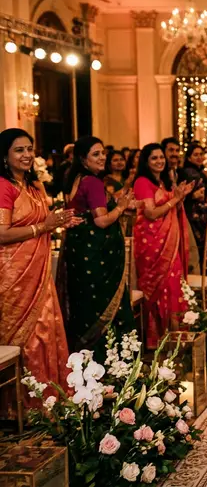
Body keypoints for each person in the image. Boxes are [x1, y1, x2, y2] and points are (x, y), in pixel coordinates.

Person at [0, 128, 76, 397]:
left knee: (45, 328)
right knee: (29, 334)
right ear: (5, 156)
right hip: (13, 275)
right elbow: (2, 233)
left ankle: (49, 394)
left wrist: (60, 221)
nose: (27, 155)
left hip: (38, 271)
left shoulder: (33, 186)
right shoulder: (3, 187)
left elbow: (42, 222)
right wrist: (42, 227)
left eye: (30, 149)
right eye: (19, 150)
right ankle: (23, 402)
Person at [62, 136, 134, 354]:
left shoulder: (73, 179)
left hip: (80, 254)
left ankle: (84, 359)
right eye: (96, 154)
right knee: (103, 305)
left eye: (103, 152)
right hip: (96, 258)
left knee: (84, 305)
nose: (102, 157)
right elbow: (101, 221)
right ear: (83, 159)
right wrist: (121, 207)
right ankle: (111, 361)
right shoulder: (92, 182)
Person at [133, 143, 193, 349]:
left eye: (161, 157)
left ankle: (176, 337)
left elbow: (169, 209)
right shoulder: (142, 182)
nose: (160, 161)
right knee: (162, 287)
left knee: (174, 284)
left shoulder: (163, 181)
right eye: (154, 158)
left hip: (169, 242)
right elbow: (150, 213)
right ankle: (160, 339)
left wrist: (179, 197)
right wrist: (175, 198)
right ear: (146, 161)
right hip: (151, 246)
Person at [180, 143, 207, 273]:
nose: (199, 157)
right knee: (199, 250)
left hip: (203, 215)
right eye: (195, 154)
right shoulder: (189, 172)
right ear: (189, 157)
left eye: (201, 154)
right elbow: (195, 194)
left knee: (204, 251)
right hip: (195, 216)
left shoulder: (200, 171)